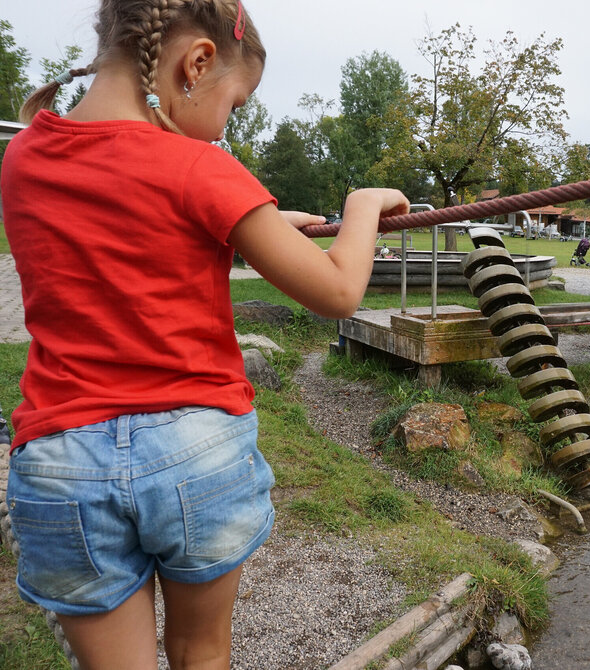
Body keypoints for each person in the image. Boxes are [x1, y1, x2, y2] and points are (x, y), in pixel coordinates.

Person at [0, 2, 409, 668]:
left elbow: (125, 239)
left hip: (61, 461)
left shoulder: (22, 157)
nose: (227, 124)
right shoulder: (203, 169)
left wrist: (259, 223)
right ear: (196, 64)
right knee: (199, 653)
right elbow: (338, 292)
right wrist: (360, 206)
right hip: (193, 452)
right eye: (235, 104)